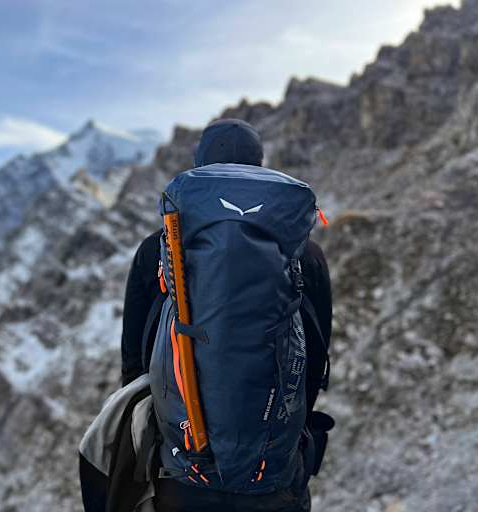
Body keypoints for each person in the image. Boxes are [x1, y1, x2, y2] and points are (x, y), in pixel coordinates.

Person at [120, 118, 332, 511]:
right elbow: (315, 355)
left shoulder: (159, 249)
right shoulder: (305, 253)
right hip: (274, 474)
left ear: (199, 166)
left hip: (182, 472)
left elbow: (135, 363)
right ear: (259, 166)